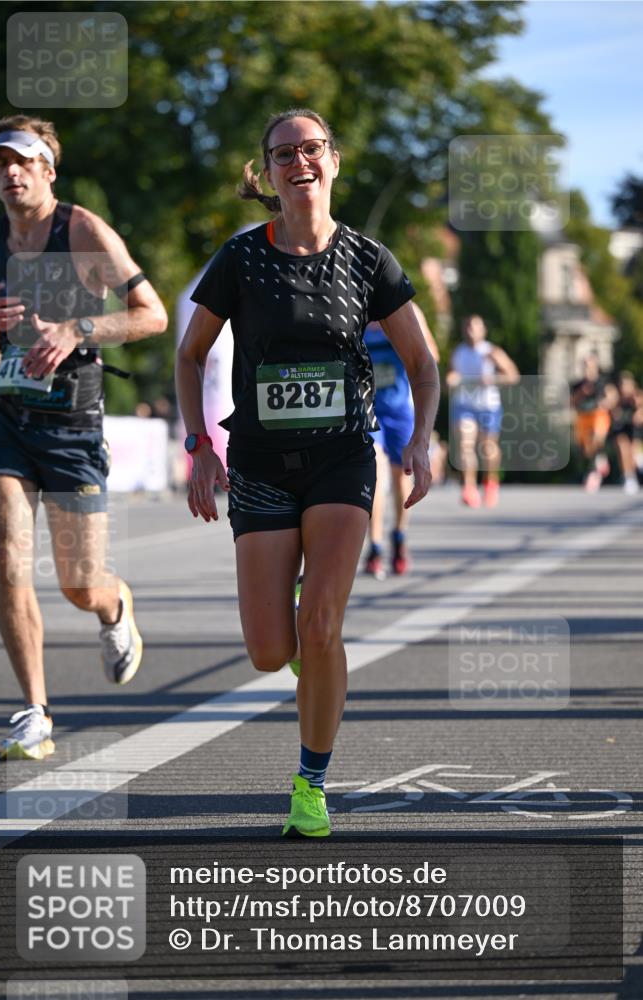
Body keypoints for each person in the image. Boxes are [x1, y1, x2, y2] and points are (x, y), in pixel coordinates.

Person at [176, 109, 439, 838]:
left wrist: (419, 440)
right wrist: (198, 444)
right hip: (258, 459)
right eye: (283, 153)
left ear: (333, 159)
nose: (299, 162)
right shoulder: (239, 258)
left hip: (342, 456)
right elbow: (191, 354)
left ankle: (310, 784)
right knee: (270, 651)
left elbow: (422, 363)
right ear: (266, 172)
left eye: (312, 148)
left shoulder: (367, 259)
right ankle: (300, 627)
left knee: (320, 624)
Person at [0, 116, 168, 760]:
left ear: (48, 170)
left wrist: (76, 328)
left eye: (22, 162)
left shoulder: (81, 230)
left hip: (72, 423)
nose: (9, 173)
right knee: (7, 559)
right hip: (4, 417)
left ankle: (114, 608)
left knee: (78, 582)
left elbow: (153, 315)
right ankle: (34, 711)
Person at [363, 301, 440, 578]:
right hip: (368, 407)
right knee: (374, 473)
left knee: (399, 477)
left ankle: (398, 536)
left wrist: (402, 345)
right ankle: (374, 545)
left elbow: (430, 357)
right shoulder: (355, 307)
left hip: (399, 407)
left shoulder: (406, 309)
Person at [447, 315, 519, 508]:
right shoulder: (458, 352)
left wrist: (493, 380)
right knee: (465, 444)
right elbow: (451, 374)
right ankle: (469, 488)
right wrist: (451, 379)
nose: (471, 330)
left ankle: (490, 483)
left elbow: (513, 375)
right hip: (464, 404)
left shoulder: (491, 351)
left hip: (488, 405)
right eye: (468, 326)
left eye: (475, 327)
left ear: (483, 331)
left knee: (488, 448)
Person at [570, 352, 617, 492]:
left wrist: (606, 403)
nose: (588, 368)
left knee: (597, 438)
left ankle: (594, 475)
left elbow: (613, 397)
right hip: (583, 416)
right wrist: (581, 393)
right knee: (586, 448)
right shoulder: (577, 384)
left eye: (590, 365)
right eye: (585, 366)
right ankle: (600, 460)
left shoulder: (603, 382)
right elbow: (571, 402)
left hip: (598, 414)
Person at [608, 370, 643, 494]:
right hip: (621, 428)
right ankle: (629, 477)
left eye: (627, 385)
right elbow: (610, 409)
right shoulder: (616, 398)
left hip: (635, 430)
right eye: (623, 385)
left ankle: (637, 467)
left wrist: (638, 412)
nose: (625, 388)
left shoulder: (638, 396)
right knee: (623, 448)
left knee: (634, 455)